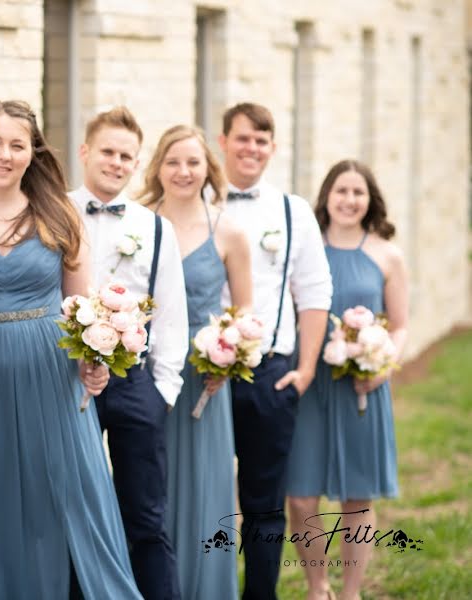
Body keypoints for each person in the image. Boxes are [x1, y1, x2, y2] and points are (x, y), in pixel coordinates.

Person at [0, 99, 142, 599]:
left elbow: (82, 306)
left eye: (17, 144)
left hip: (52, 376)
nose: (4, 155)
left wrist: (93, 364)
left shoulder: (61, 215)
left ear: (33, 153)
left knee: (68, 496)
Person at [70, 107, 189, 600]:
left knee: (145, 514)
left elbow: (171, 313)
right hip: (69, 381)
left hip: (135, 385)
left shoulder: (155, 227)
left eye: (126, 156)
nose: (116, 163)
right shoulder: (55, 212)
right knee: (75, 507)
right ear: (85, 153)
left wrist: (162, 391)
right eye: (107, 152)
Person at [216, 102, 333, 600]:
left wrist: (305, 369)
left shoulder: (294, 210)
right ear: (223, 142)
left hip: (270, 374)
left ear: (273, 148)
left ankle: (260, 594)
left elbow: (315, 292)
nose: (252, 148)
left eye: (262, 140)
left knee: (263, 502)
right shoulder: (198, 201)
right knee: (200, 491)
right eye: (243, 138)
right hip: (204, 375)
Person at [140, 124, 252, 600]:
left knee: (207, 489)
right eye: (173, 162)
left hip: (208, 378)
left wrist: (228, 354)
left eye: (193, 162)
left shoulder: (227, 231)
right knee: (150, 485)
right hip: (147, 374)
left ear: (209, 168)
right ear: (158, 168)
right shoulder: (138, 221)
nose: (183, 172)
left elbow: (245, 312)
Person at [285, 160, 406, 600]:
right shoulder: (306, 248)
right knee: (300, 496)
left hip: (362, 389)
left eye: (358, 192)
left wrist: (381, 367)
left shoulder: (387, 254)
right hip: (311, 384)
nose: (349, 200)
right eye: (341, 191)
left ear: (370, 200)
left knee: (357, 496)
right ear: (326, 196)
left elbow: (400, 326)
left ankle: (351, 592)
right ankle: (318, 587)